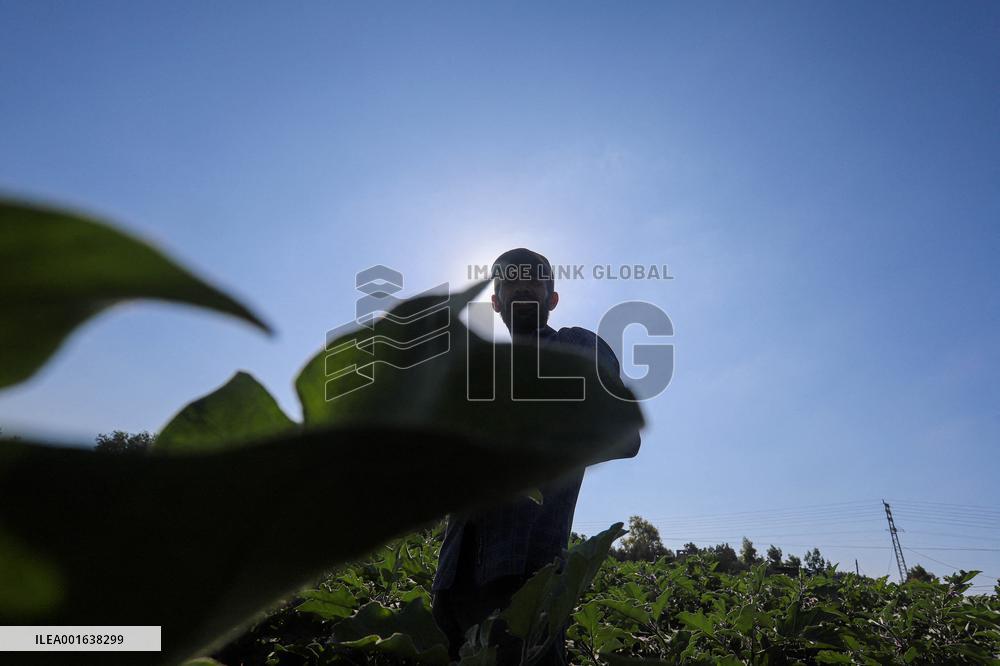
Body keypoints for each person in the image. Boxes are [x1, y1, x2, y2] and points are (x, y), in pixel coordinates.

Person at [431, 248, 641, 663]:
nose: (522, 287)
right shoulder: (478, 369)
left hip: (526, 574)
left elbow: (622, 434)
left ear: (552, 298)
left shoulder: (574, 346)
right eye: (510, 281)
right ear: (495, 301)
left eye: (535, 280)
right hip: (453, 579)